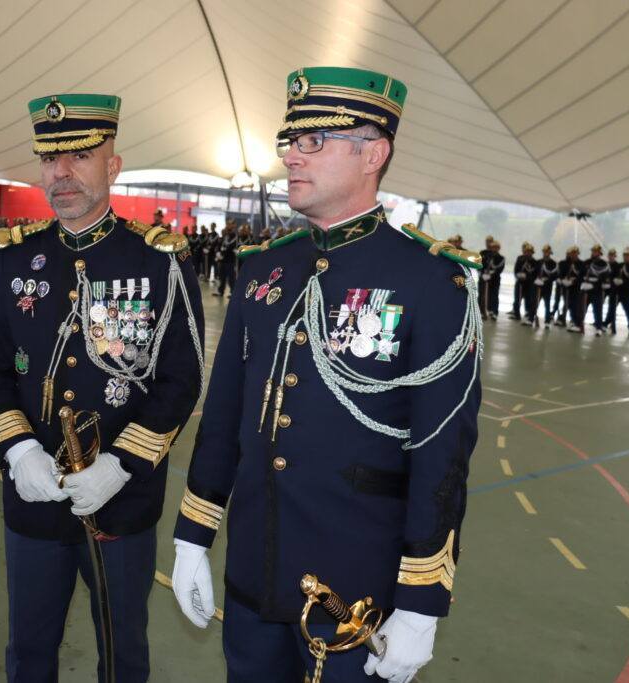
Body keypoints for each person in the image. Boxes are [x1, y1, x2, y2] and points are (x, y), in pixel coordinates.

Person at [171, 66, 482, 683]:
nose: (291, 156)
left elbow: (442, 453)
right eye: (290, 141)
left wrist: (421, 601)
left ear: (373, 154)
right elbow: (224, 418)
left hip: (355, 595)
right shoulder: (264, 270)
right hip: (254, 576)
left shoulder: (430, 281)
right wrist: (192, 537)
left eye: (313, 141)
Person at [0, 93, 204, 682]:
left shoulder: (158, 262)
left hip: (120, 501)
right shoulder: (18, 258)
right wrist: (18, 448)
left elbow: (182, 378)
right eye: (50, 159)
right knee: (28, 651)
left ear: (113, 166)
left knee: (123, 655)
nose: (62, 173)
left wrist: (122, 465)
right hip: (33, 497)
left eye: (79, 156)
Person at [581, 244, 610, 336]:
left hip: (597, 290)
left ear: (599, 253)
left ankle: (598, 327)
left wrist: (594, 284)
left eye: (596, 252)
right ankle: (579, 324)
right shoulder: (586, 262)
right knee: (582, 308)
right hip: (586, 289)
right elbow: (581, 274)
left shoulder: (604, 264)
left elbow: (605, 278)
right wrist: (583, 283)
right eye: (593, 251)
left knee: (597, 310)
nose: (594, 253)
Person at [559, 247, 584, 332]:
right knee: (569, 305)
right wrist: (563, 280)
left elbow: (582, 276)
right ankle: (573, 321)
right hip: (566, 287)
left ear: (577, 254)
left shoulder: (581, 264)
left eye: (575, 253)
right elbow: (562, 273)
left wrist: (573, 281)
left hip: (576, 287)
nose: (573, 255)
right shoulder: (566, 263)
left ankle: (578, 324)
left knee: (575, 305)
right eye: (572, 253)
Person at [510, 242, 536, 323]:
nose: (528, 253)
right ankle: (516, 314)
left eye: (529, 251)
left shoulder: (534, 261)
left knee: (528, 299)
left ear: (532, 252)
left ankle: (527, 313)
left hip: (529, 283)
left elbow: (534, 273)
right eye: (527, 251)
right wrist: (517, 275)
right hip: (519, 281)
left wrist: (527, 276)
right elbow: (516, 269)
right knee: (517, 298)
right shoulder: (520, 258)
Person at [534, 244, 559, 327]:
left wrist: (547, 280)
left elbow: (555, 275)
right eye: (545, 252)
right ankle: (533, 317)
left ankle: (547, 320)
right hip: (538, 285)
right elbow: (534, 273)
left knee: (547, 304)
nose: (546, 253)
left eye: (547, 252)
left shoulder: (553, 263)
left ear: (550, 253)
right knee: (535, 303)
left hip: (547, 286)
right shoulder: (538, 262)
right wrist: (537, 279)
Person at [214, 218, 239, 297]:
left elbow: (231, 246)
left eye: (230, 224)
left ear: (234, 225)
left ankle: (233, 292)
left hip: (230, 259)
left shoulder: (235, 236)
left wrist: (223, 253)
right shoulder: (225, 235)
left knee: (231, 277)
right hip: (222, 259)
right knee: (222, 276)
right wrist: (218, 252)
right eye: (227, 224)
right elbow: (221, 244)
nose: (228, 225)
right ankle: (220, 291)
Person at [603, 248, 620, 333]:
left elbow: (618, 277)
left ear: (615, 256)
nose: (611, 257)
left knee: (612, 307)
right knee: (600, 304)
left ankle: (611, 324)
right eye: (610, 255)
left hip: (613, 288)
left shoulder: (617, 266)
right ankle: (601, 322)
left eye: (612, 255)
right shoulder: (605, 264)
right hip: (604, 287)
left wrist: (611, 282)